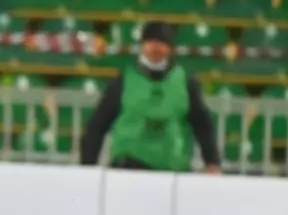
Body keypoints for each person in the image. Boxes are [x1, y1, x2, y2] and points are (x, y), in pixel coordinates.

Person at [80, 21, 222, 173]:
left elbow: (202, 124)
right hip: (128, 169)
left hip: (172, 170)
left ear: (169, 48)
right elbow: (97, 125)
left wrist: (212, 161)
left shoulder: (186, 83)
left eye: (161, 43)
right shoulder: (123, 82)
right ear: (142, 45)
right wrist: (87, 165)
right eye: (151, 42)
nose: (156, 48)